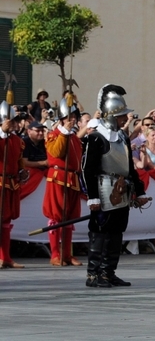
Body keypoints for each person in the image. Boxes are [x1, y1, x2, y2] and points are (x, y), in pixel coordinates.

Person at [82, 85, 149, 287]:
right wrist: (93, 197)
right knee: (100, 231)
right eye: (121, 116)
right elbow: (87, 170)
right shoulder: (95, 138)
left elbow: (129, 168)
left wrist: (139, 190)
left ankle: (108, 272)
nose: (124, 119)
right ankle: (94, 274)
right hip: (103, 191)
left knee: (117, 231)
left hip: (122, 189)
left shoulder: (122, 138)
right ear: (111, 116)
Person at [43, 97, 84, 266]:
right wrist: (64, 133)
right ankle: (55, 254)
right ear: (61, 119)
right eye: (69, 117)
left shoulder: (74, 137)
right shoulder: (54, 135)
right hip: (58, 177)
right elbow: (57, 153)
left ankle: (67, 254)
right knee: (56, 216)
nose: (72, 120)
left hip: (72, 178)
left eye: (74, 116)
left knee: (70, 218)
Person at [1, 107, 30, 268]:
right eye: (11, 121)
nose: (14, 124)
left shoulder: (17, 140)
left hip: (11, 183)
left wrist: (22, 172)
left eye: (15, 121)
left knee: (6, 220)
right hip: (0, 181)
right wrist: (2, 134)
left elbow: (18, 160)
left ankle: (5, 257)